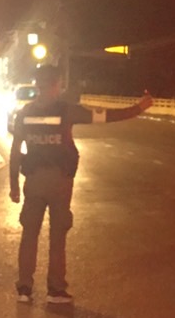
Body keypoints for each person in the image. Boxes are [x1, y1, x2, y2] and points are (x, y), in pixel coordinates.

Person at [9, 66, 152, 304]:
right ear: (56, 85)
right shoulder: (67, 111)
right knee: (58, 236)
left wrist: (13, 184)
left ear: (37, 85)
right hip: (59, 183)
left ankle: (24, 288)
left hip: (33, 182)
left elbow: (15, 150)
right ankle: (55, 290)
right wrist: (138, 109)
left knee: (29, 234)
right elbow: (104, 116)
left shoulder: (25, 113)